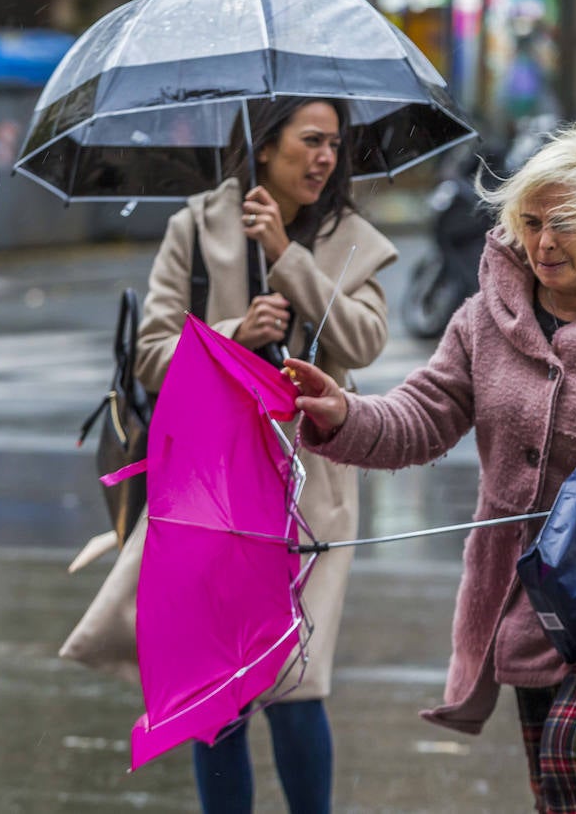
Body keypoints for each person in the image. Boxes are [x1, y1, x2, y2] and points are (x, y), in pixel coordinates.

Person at [282, 122, 576, 813]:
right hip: (530, 596)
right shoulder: (485, 317)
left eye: (564, 223)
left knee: (571, 758)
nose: (543, 243)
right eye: (530, 223)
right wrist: (342, 413)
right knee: (555, 782)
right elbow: (423, 416)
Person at [135, 96, 398, 814]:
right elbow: (152, 356)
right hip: (217, 485)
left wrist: (288, 257)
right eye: (310, 141)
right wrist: (234, 333)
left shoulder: (348, 236)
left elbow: (364, 342)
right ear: (264, 144)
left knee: (295, 680)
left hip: (313, 489)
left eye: (335, 145)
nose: (325, 158)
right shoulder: (196, 228)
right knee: (220, 690)